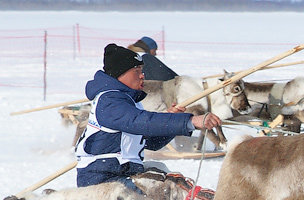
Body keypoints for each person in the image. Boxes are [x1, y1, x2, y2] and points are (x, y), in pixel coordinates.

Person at [75, 43, 221, 188]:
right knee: (165, 195)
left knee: (174, 186)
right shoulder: (109, 101)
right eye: (136, 70)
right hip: (102, 179)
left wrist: (172, 123)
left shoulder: (129, 102)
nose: (142, 75)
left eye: (142, 69)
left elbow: (151, 142)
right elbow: (140, 121)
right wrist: (190, 121)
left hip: (122, 175)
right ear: (120, 73)